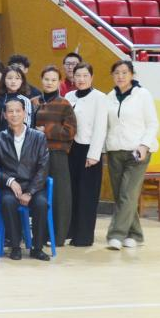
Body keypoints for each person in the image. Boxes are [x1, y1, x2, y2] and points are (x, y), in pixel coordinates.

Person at [103, 60, 159, 251]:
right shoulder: (109, 97)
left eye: (124, 72)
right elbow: (106, 126)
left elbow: (153, 123)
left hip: (137, 152)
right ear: (112, 75)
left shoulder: (143, 95)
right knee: (122, 195)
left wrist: (144, 145)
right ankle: (135, 234)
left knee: (127, 194)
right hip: (115, 152)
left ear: (132, 74)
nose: (120, 76)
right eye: (117, 73)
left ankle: (116, 235)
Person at [0, 96, 52, 261]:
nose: (14, 114)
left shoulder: (38, 137)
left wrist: (30, 192)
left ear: (24, 113)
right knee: (8, 202)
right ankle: (15, 246)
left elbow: (43, 168)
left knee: (41, 204)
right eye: (10, 111)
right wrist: (9, 181)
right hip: (10, 187)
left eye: (18, 111)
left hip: (34, 187)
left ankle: (37, 248)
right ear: (4, 115)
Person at [31, 65, 77, 247]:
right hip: (36, 155)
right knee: (38, 194)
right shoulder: (34, 101)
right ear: (41, 80)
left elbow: (70, 131)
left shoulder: (64, 104)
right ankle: (39, 235)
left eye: (53, 80)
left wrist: (46, 130)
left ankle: (57, 237)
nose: (49, 83)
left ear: (59, 82)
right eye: (46, 79)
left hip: (57, 154)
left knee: (60, 196)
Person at [64, 62, 106, 247]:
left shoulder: (100, 98)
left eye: (85, 76)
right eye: (78, 76)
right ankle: (71, 231)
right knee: (72, 192)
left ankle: (84, 236)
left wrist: (94, 154)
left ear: (91, 77)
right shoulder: (69, 96)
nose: (81, 79)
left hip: (89, 151)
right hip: (71, 149)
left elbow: (100, 128)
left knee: (87, 195)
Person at [0, 66, 34, 130]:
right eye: (10, 78)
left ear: (22, 81)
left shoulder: (25, 100)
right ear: (4, 80)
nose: (13, 81)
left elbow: (27, 125)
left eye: (17, 78)